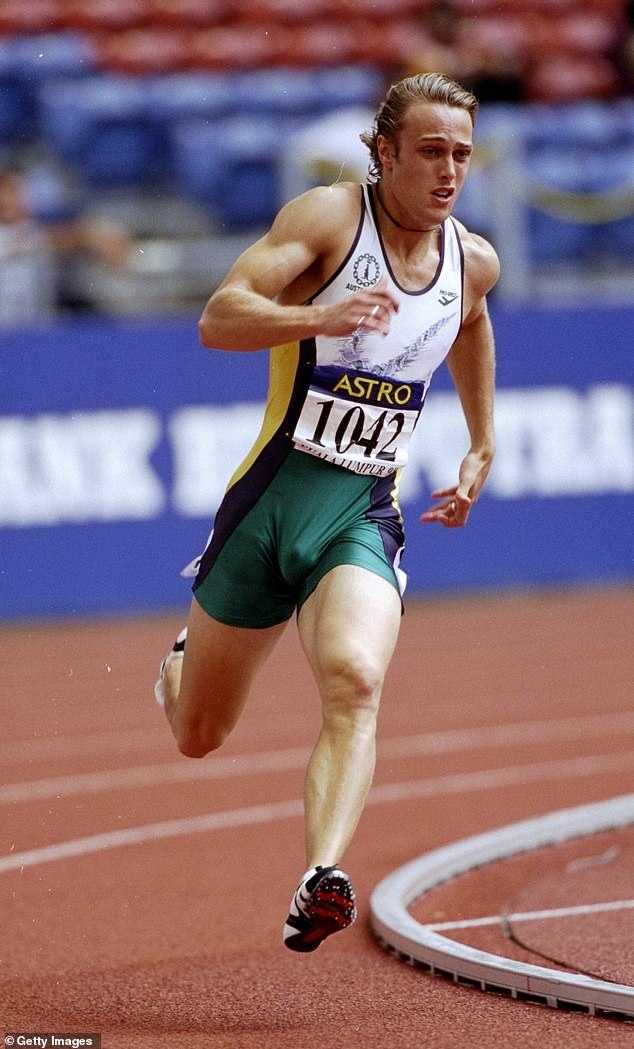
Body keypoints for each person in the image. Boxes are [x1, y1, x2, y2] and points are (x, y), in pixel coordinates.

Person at [154, 71, 499, 953]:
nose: (450, 169)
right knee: (199, 732)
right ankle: (182, 662)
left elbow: (469, 321)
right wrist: (319, 318)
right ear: (382, 154)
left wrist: (480, 439)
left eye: (461, 153)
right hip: (270, 504)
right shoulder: (329, 221)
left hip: (361, 511)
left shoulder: (474, 258)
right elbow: (218, 318)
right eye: (429, 151)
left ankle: (321, 876)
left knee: (355, 678)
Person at [0, 163, 133, 325]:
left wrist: (90, 233)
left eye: (13, 191)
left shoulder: (38, 232)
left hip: (36, 335)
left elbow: (96, 236)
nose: (5, 199)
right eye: (2, 191)